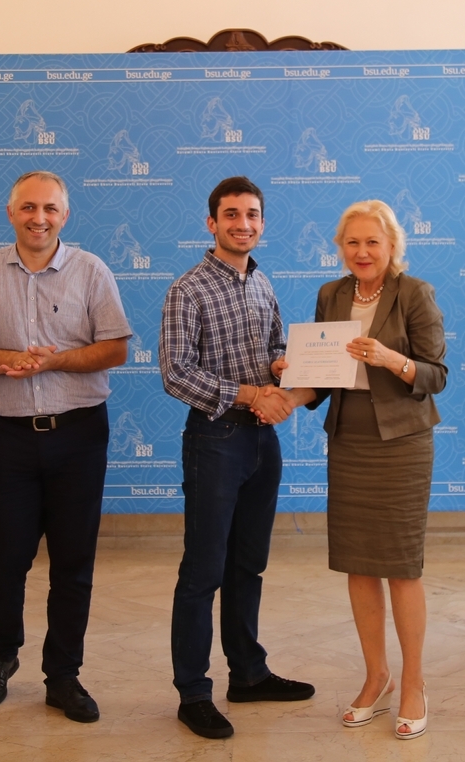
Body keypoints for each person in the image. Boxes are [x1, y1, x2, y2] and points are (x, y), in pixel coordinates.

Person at [0, 170, 130, 723]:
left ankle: (63, 675)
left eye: (50, 208)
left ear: (64, 215)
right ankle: (0, 657)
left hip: (79, 437)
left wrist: (55, 361)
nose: (39, 218)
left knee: (73, 564)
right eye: (28, 207)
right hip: (10, 441)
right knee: (3, 562)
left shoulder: (91, 271)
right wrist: (6, 359)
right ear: (11, 213)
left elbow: (115, 349)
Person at [282, 200, 447, 740]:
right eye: (352, 242)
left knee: (401, 566)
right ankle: (378, 677)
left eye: (372, 242)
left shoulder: (415, 293)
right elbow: (325, 374)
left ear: (391, 245)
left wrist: (389, 358)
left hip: (402, 444)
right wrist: (290, 384)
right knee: (358, 564)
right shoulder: (331, 295)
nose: (362, 251)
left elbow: (436, 374)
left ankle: (415, 682)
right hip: (349, 439)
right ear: (340, 247)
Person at [159, 176, 314, 739]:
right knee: (203, 571)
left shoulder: (262, 282)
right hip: (215, 440)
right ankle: (193, 693)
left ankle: (248, 674)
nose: (242, 224)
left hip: (262, 442)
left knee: (248, 565)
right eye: (231, 214)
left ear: (261, 224)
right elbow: (176, 373)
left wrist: (281, 368)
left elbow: (274, 347)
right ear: (212, 223)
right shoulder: (188, 289)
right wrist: (250, 394)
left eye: (251, 215)